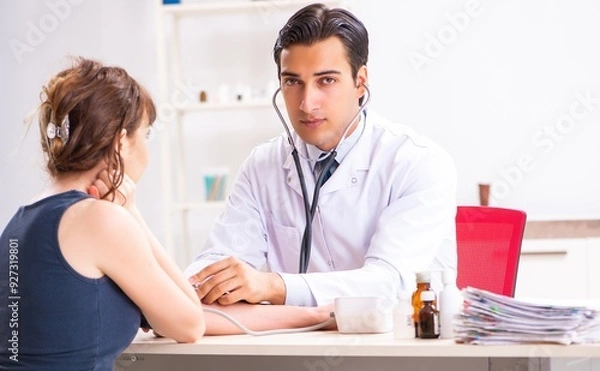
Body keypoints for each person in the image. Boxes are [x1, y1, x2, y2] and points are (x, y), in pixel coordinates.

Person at [0, 58, 333, 370]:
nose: (147, 147)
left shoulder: (22, 220)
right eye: (144, 135)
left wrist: (311, 315)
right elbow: (189, 323)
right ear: (120, 143)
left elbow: (186, 307)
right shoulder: (100, 220)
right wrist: (132, 214)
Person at [186, 3, 457, 308]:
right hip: (296, 344)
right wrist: (188, 285)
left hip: (396, 345)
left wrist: (275, 286)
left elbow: (390, 282)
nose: (306, 103)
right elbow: (219, 259)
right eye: (292, 82)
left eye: (326, 80)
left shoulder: (417, 163)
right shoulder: (262, 165)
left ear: (360, 81)